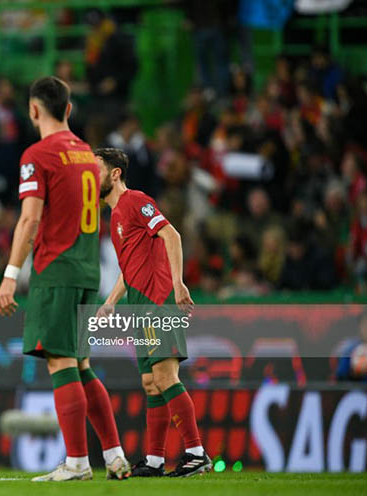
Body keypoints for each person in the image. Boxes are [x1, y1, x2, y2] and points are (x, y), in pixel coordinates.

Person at [0, 77, 128, 481]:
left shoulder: (38, 154)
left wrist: (9, 275)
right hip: (88, 269)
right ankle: (115, 456)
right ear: (68, 110)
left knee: (60, 361)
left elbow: (31, 218)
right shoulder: (88, 155)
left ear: (34, 110)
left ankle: (76, 463)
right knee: (82, 364)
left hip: (57, 270)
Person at [95, 147, 211, 477]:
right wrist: (111, 303)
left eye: (96, 169)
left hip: (157, 301)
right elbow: (128, 268)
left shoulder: (134, 201)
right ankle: (155, 460)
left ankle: (195, 452)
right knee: (150, 381)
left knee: (164, 376)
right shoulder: (115, 215)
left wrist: (178, 283)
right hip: (138, 306)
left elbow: (170, 234)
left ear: (114, 174)